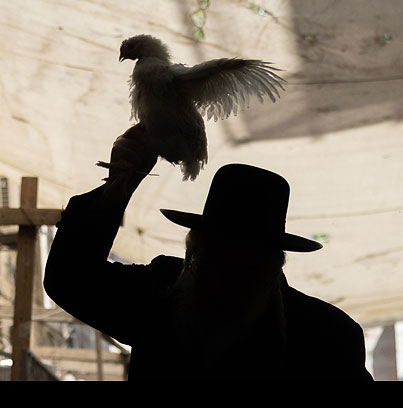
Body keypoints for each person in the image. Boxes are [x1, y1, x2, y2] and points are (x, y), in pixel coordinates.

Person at [44, 124, 373, 381]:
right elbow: (70, 279)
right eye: (212, 260)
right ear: (192, 255)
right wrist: (119, 185)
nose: (224, 281)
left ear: (271, 266)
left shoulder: (326, 337)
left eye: (243, 266)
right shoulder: (159, 294)